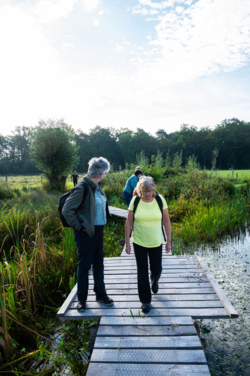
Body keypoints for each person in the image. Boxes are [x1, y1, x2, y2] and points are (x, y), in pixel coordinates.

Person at [62, 157, 113, 312]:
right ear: (101, 173)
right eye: (105, 173)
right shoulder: (83, 187)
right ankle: (82, 300)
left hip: (98, 231)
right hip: (86, 233)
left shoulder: (96, 186)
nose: (105, 175)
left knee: (99, 264)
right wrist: (80, 226)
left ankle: (100, 294)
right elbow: (67, 210)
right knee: (84, 266)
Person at [125, 176, 171, 313]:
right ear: (139, 190)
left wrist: (169, 241)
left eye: (150, 190)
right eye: (144, 191)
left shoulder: (160, 200)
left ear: (153, 189)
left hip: (156, 241)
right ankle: (145, 301)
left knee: (156, 268)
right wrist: (127, 242)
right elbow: (128, 222)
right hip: (139, 241)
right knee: (142, 270)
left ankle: (155, 280)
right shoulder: (135, 201)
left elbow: (167, 222)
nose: (147, 194)